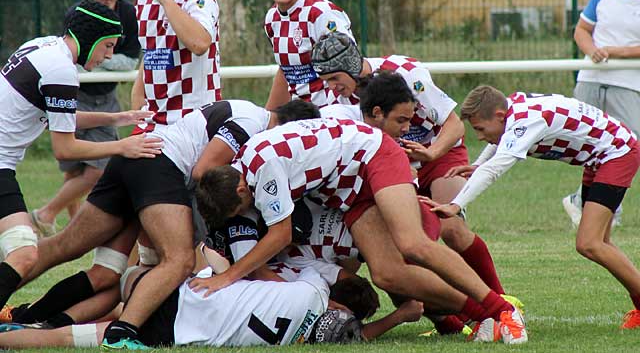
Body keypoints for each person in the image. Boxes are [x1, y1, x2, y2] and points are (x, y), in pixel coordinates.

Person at [0, 99, 319, 349]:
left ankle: (24, 318)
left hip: (137, 159)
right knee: (178, 261)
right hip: (158, 165)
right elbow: (202, 171)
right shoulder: (253, 123)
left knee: (101, 270)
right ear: (289, 127)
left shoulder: (249, 117)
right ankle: (122, 333)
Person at [195, 118, 528, 344]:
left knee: (412, 244)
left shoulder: (261, 169)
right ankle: (479, 317)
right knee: (387, 275)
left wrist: (228, 277)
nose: (247, 214)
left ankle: (502, 311)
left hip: (373, 156)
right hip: (348, 188)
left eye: (241, 209)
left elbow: (280, 235)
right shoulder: (245, 168)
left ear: (240, 191)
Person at [312, 32, 509, 299]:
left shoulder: (405, 73)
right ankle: (453, 318)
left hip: (439, 153)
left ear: (351, 65)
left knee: (450, 228)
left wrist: (431, 153)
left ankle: (501, 301)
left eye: (335, 78)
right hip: (394, 166)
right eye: (325, 81)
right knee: (404, 246)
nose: (331, 87)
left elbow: (454, 124)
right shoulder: (338, 101)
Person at [0, 0, 162, 317]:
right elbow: (66, 148)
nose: (109, 55)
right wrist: (121, 147)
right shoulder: (62, 70)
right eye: (108, 46)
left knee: (23, 253)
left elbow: (60, 115)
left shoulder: (44, 47)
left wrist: (115, 119)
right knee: (24, 256)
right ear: (94, 40)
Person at [430, 85, 640, 330]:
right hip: (603, 156)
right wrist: (478, 164)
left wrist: (456, 205)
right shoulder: (512, 112)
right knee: (599, 242)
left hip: (616, 154)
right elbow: (502, 139)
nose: (479, 136)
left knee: (589, 244)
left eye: (479, 129)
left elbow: (495, 168)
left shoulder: (527, 120)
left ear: (499, 115)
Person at [0, 265, 421, 349]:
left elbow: (320, 271)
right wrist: (400, 315)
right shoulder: (314, 333)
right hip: (180, 334)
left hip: (183, 292)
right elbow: (355, 334)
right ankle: (17, 339)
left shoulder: (311, 286)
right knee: (90, 338)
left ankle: (30, 316)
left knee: (123, 280)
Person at [31, 0, 142, 238]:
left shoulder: (130, 14)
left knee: (96, 171)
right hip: (76, 95)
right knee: (73, 170)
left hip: (106, 99)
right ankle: (69, 230)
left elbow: (129, 60)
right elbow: (71, 55)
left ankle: (46, 214)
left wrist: (97, 62)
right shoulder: (79, 20)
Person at [563, 0, 640, 228]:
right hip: (590, 80)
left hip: (628, 84)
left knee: (629, 146)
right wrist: (592, 50)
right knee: (588, 144)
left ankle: (596, 203)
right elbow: (581, 31)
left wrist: (615, 52)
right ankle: (590, 204)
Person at [128, 0, 221, 133]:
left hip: (195, 117)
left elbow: (199, 44)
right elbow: (150, 53)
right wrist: (137, 101)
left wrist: (166, 0)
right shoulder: (142, 0)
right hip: (154, 120)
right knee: (119, 164)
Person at [261, 0, 355, 110]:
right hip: (302, 116)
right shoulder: (271, 19)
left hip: (336, 113)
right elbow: (286, 71)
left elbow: (351, 66)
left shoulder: (321, 14)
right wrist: (268, 118)